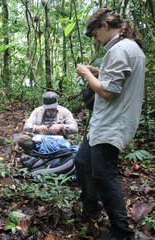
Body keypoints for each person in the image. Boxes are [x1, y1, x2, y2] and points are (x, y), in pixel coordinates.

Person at [76, 8, 145, 240]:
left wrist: (87, 74)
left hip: (112, 123)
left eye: (95, 33)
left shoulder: (121, 49)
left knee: (104, 176)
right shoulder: (125, 48)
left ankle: (121, 232)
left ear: (105, 25)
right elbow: (115, 79)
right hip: (103, 124)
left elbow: (107, 91)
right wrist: (99, 71)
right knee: (82, 161)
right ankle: (92, 211)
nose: (95, 39)